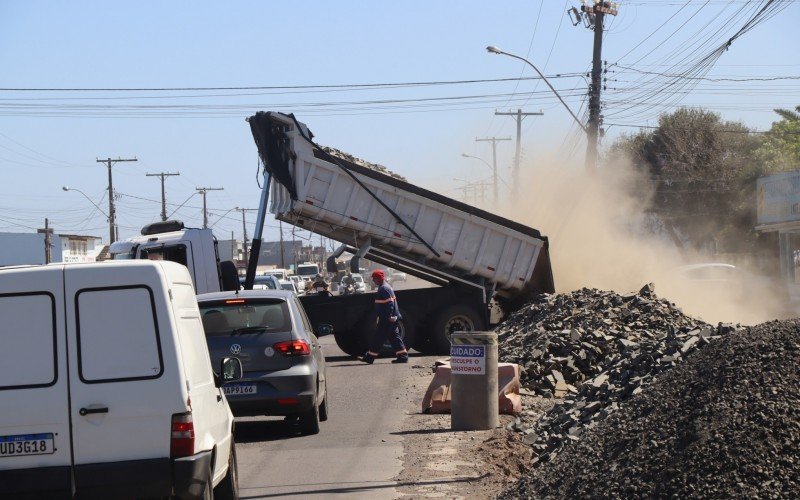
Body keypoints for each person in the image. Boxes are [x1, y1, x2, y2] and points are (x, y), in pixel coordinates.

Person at [362, 269, 408, 364]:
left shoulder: (384, 288)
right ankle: (403, 356)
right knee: (394, 338)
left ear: (379, 278)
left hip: (387, 319)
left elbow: (390, 303)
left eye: (374, 278)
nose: (373, 280)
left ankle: (369, 357)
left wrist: (389, 316)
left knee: (378, 338)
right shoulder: (385, 287)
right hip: (389, 318)